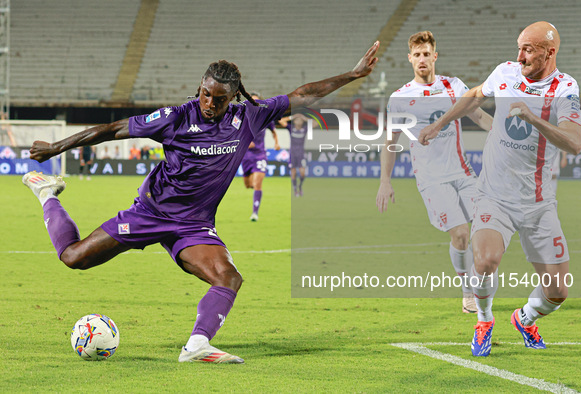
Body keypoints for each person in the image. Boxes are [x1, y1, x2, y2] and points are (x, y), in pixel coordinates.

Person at [22, 42, 380, 364]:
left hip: (194, 225)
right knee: (74, 258)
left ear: (235, 96)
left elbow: (302, 94)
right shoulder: (176, 117)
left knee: (229, 277)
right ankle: (48, 195)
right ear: (200, 88)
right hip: (150, 213)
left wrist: (352, 74)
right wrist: (57, 147)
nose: (210, 104)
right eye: (206, 94)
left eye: (219, 99)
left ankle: (196, 345)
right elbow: (114, 129)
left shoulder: (249, 116)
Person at [419, 22, 581, 357]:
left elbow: (575, 143)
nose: (519, 55)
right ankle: (483, 320)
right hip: (494, 195)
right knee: (486, 260)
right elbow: (474, 95)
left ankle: (525, 318)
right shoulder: (506, 73)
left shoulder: (565, 88)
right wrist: (440, 122)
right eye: (519, 47)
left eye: (528, 49)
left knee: (558, 292)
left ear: (550, 52)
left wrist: (534, 119)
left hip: (539, 203)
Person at [376, 31, 493, 314]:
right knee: (461, 236)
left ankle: (483, 291)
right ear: (409, 59)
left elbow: (478, 116)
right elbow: (390, 143)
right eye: (416, 55)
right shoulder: (400, 97)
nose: (422, 59)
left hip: (464, 173)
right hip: (431, 179)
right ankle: (467, 290)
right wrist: (385, 182)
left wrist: (507, 135)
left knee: (485, 233)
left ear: (435, 56)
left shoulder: (453, 86)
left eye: (426, 53)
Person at [239, 92, 280, 221]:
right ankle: (256, 190)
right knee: (247, 184)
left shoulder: (265, 118)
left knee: (257, 184)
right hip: (245, 156)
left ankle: (254, 213)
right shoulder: (243, 118)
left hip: (259, 155)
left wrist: (277, 142)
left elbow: (274, 130)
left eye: (256, 102)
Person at [279, 113, 309, 197]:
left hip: (301, 153)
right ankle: (295, 189)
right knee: (293, 172)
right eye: (297, 119)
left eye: (300, 119)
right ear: (294, 121)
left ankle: (300, 186)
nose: (298, 120)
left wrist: (304, 117)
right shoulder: (291, 128)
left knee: (302, 173)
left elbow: (315, 123)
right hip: (292, 153)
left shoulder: (305, 129)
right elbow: (281, 121)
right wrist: (292, 117)